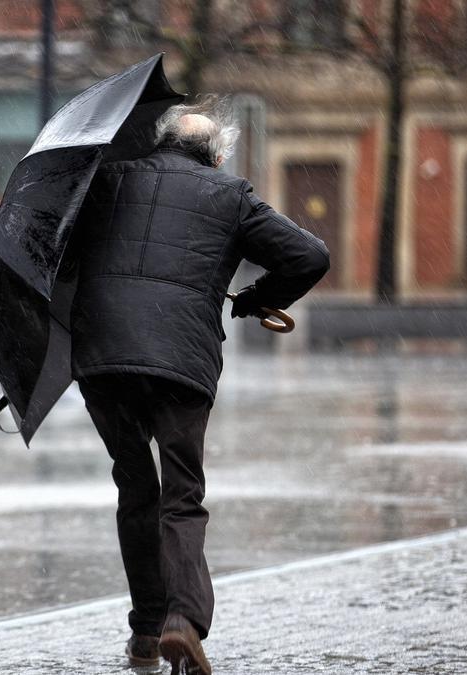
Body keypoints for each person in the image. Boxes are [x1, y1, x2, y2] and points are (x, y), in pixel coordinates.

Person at [69, 101, 330, 675]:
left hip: (104, 356)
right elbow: (310, 256)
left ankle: (143, 633)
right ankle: (182, 622)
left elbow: (59, 247)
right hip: (180, 360)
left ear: (160, 143)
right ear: (215, 154)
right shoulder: (229, 194)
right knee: (181, 494)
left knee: (136, 489)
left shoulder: (108, 179)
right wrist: (260, 299)